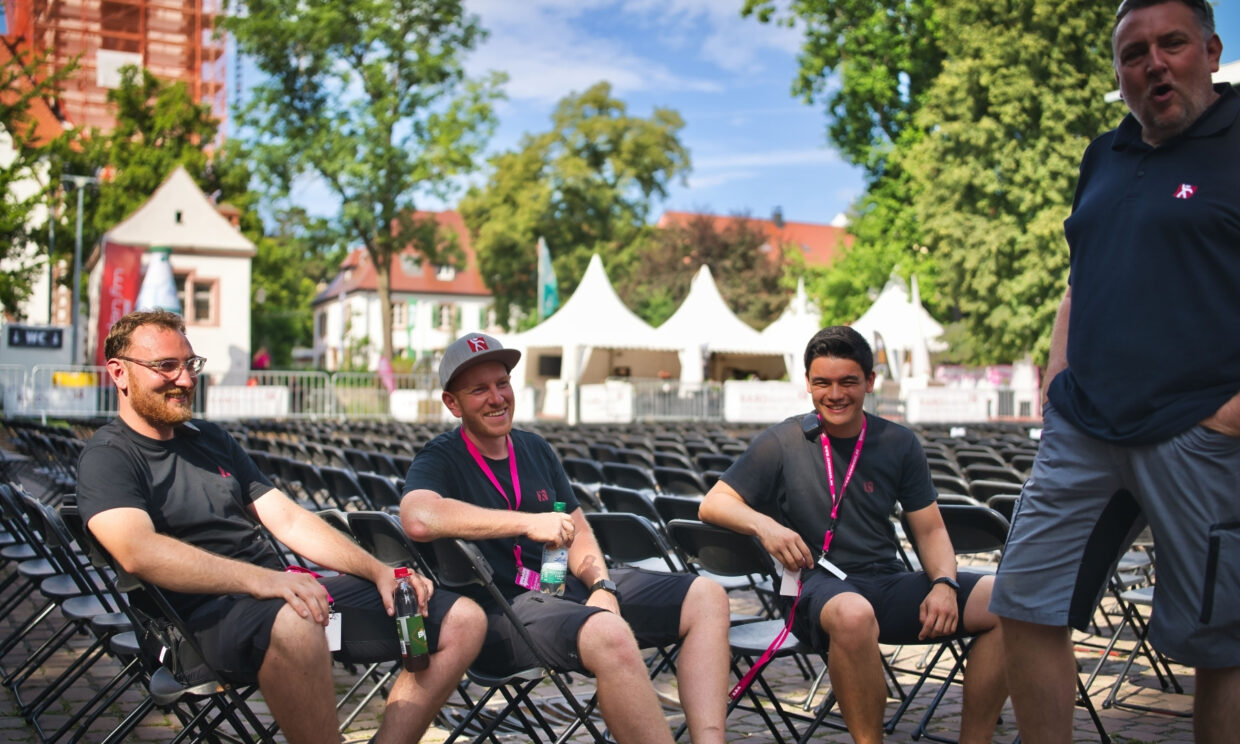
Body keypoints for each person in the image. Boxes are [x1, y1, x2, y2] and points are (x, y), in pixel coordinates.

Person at [988, 2, 1240, 742]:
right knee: (1023, 604)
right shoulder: (1103, 154)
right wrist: (1056, 377)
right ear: (1120, 74)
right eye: (1135, 53)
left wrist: (1230, 414)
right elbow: (1081, 273)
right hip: (1083, 427)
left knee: (1221, 645)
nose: (1154, 63)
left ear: (1212, 49)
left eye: (1172, 44)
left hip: (1200, 433)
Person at [77, 310, 486, 744]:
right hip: (192, 628)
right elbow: (137, 551)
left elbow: (289, 519)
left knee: (463, 620)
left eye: (190, 364)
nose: (185, 379)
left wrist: (379, 572)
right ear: (119, 373)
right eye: (166, 366)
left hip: (280, 603)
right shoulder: (108, 457)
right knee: (298, 621)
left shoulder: (211, 440)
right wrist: (266, 581)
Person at [400, 332, 730, 744]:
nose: (496, 397)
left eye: (502, 383)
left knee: (708, 596)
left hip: (561, 589)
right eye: (479, 389)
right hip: (502, 612)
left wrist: (602, 586)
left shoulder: (535, 448)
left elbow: (578, 528)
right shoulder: (442, 456)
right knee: (610, 635)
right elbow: (416, 516)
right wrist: (523, 522)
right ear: (453, 403)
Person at [699, 326, 1008, 744]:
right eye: (822, 382)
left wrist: (944, 583)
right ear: (807, 383)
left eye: (848, 382)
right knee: (853, 614)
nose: (835, 394)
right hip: (815, 587)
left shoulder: (898, 442)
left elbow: (931, 528)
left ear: (870, 382)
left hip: (886, 579)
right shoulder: (783, 440)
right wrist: (765, 525)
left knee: (1010, 600)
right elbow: (713, 502)